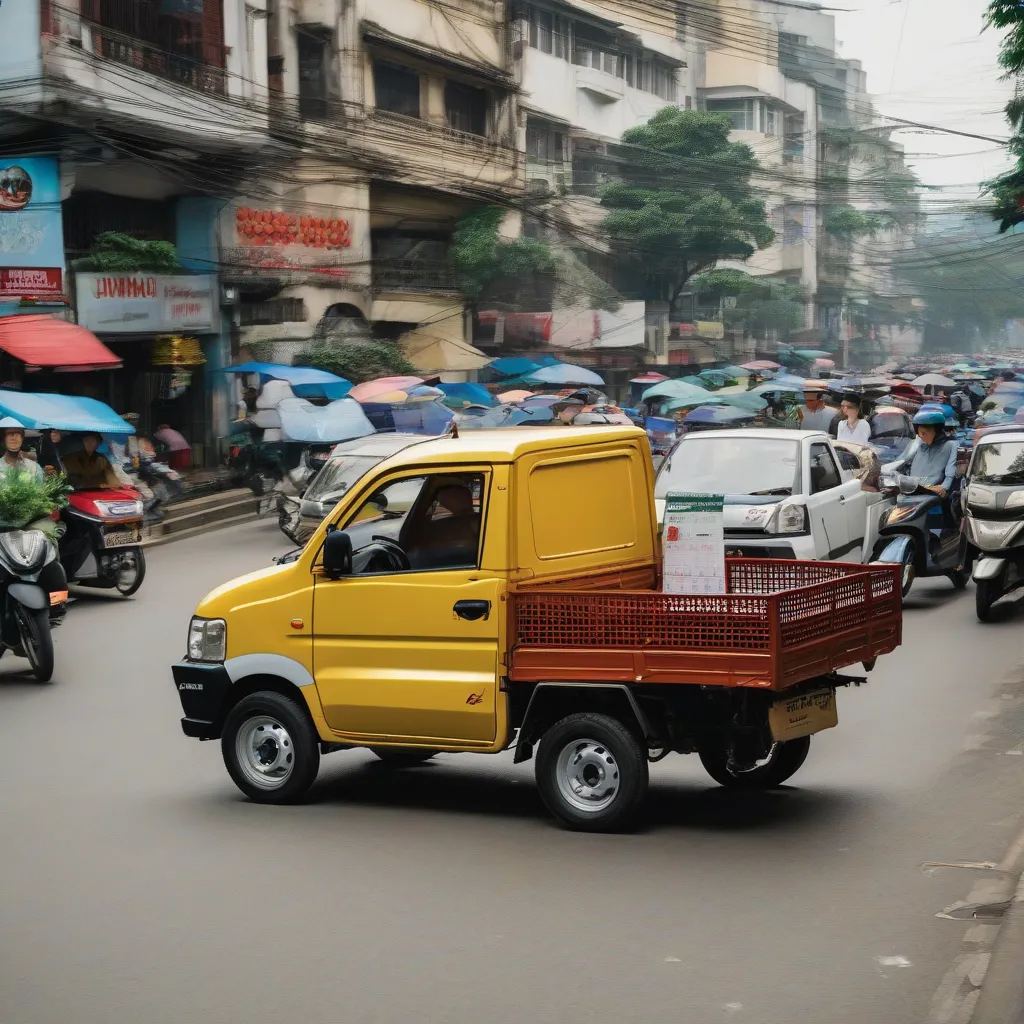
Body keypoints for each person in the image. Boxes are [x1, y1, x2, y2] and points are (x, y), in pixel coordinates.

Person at [883, 407, 957, 498]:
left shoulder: (950, 445)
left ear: (936, 431)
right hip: (911, 488)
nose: (921, 436)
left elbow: (951, 470)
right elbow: (901, 461)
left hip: (931, 492)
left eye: (924, 433)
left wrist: (944, 487)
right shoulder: (917, 442)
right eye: (919, 433)